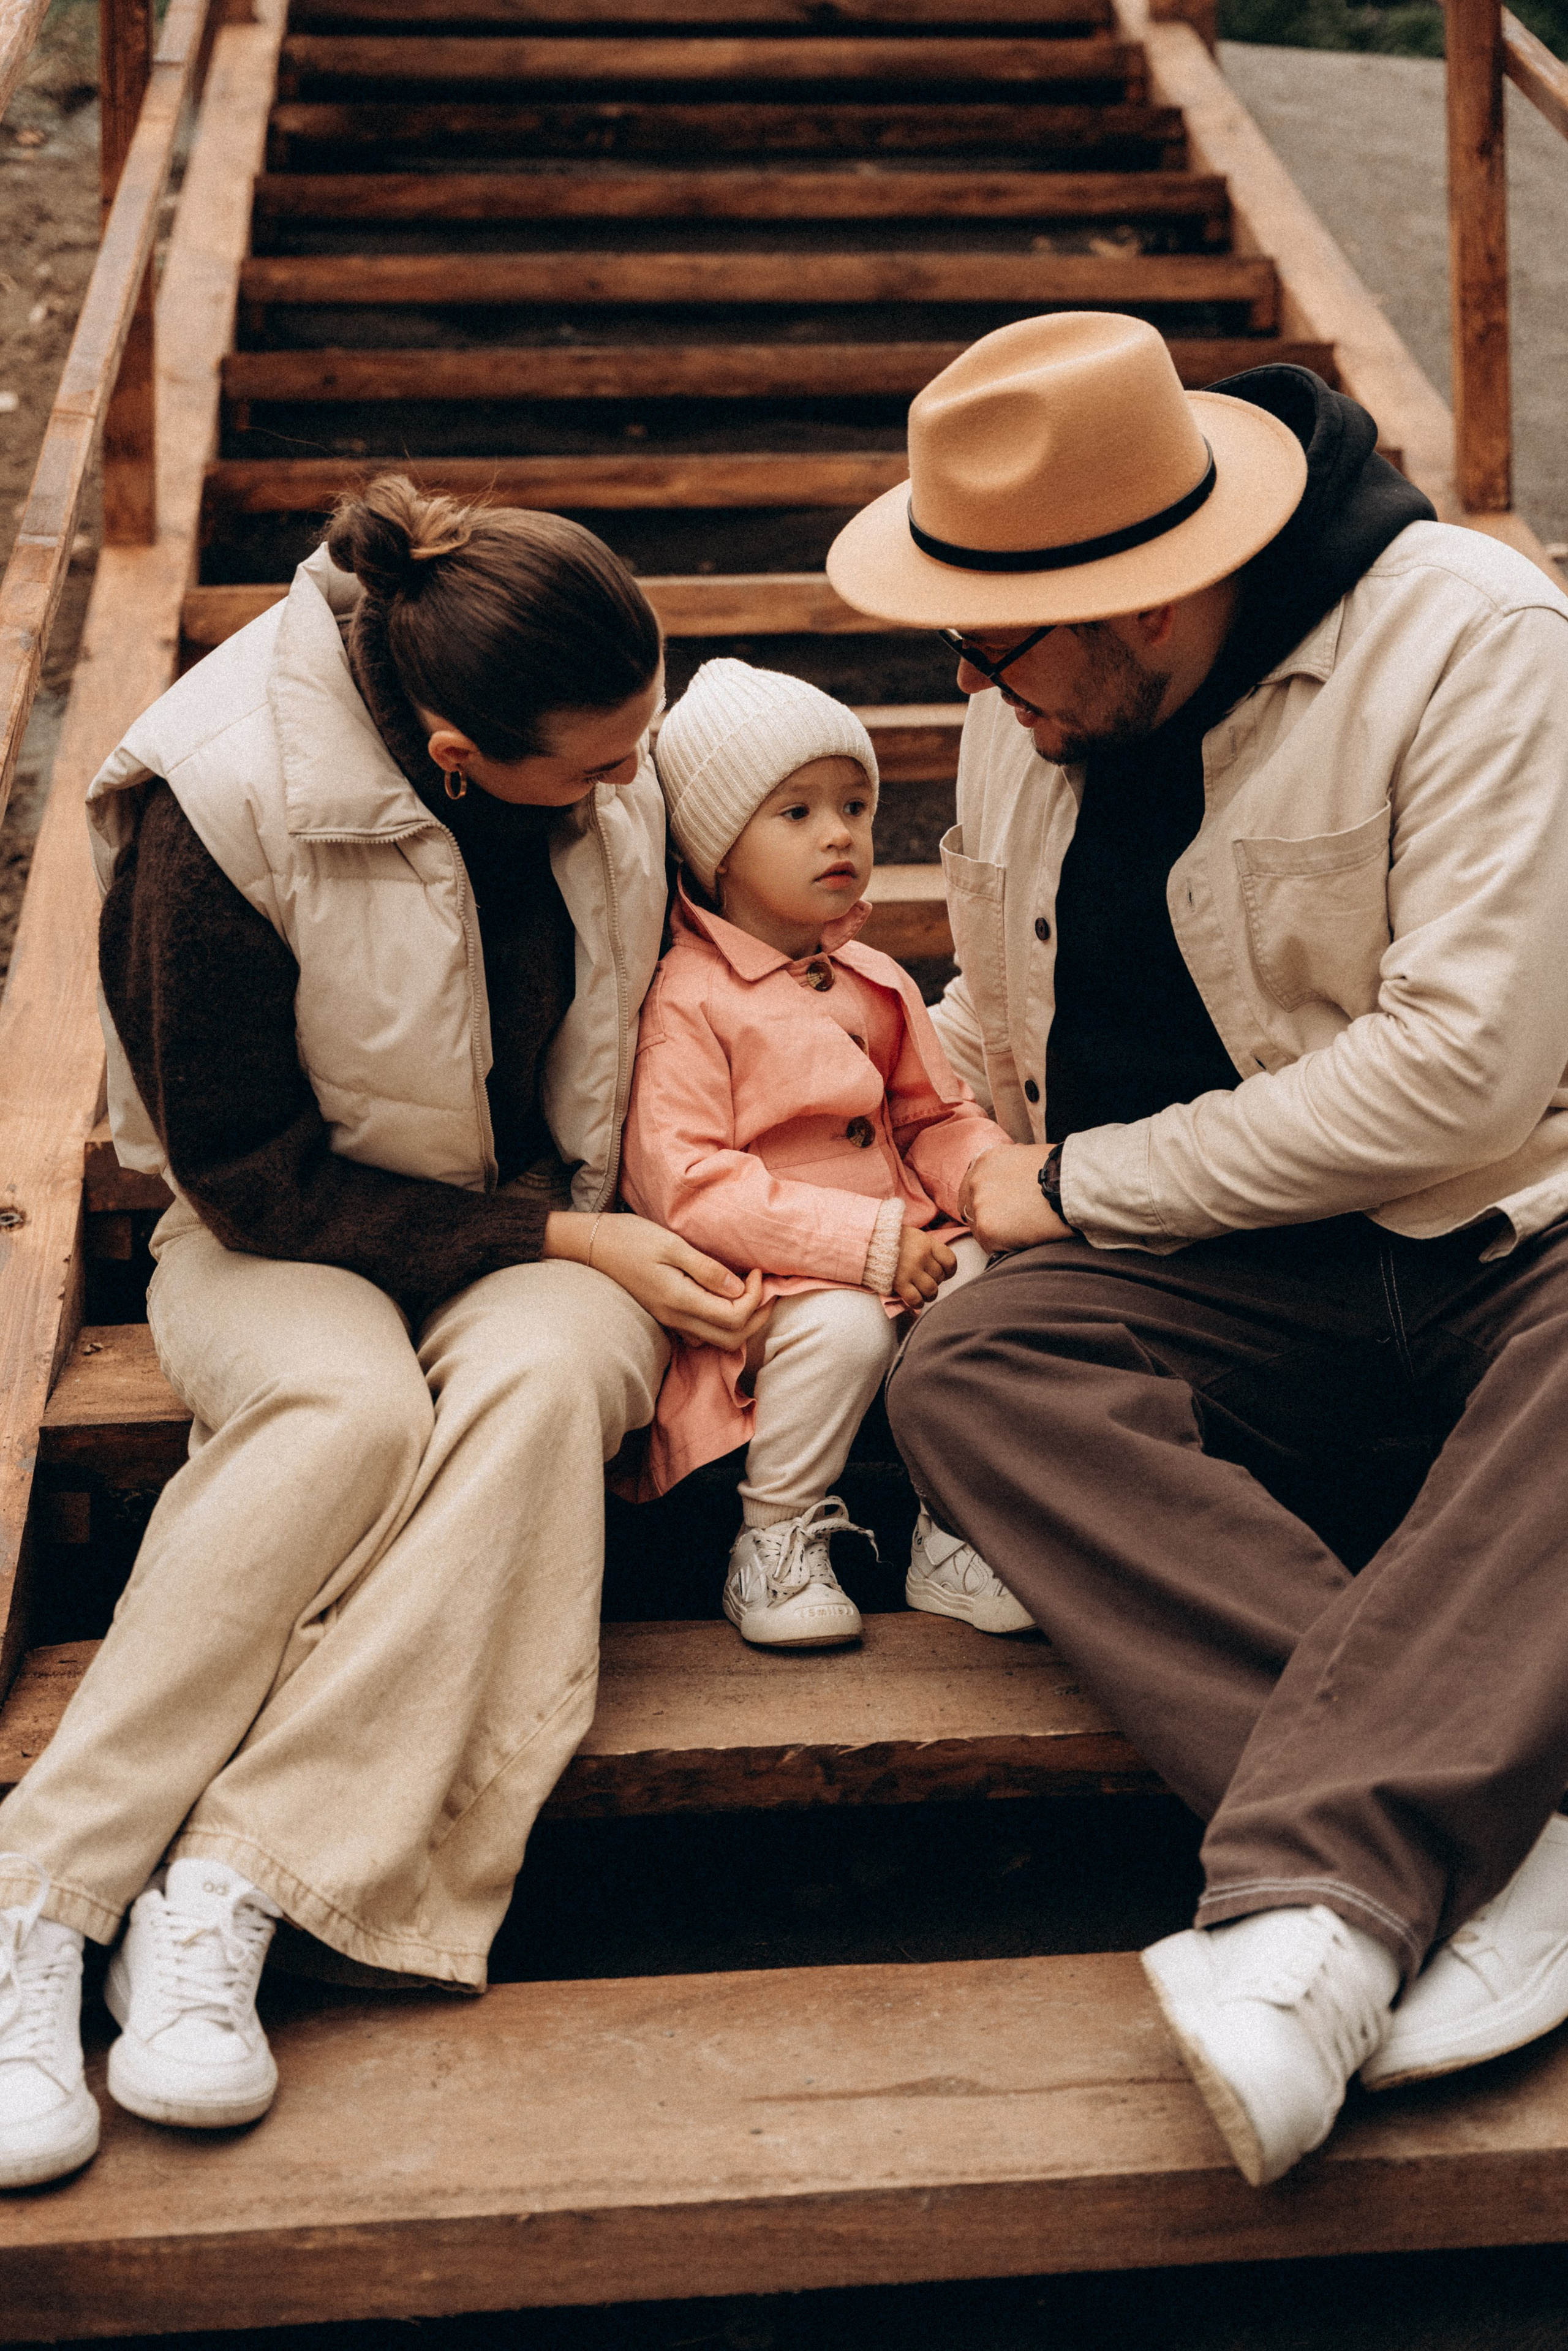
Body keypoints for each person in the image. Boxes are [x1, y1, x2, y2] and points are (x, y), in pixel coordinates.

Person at [825, 310, 1568, 2187]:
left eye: (995, 645)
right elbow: (1004, 1017)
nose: (976, 689)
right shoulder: (1035, 712)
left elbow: (1463, 1081)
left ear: (1148, 603)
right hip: (1225, 1271)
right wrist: (915, 1139)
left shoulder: (1483, 646)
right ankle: (1500, 1820)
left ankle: (1322, 1902)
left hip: (1504, 1226)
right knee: (979, 1369)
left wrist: (1068, 1188)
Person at [0, 476, 772, 2190]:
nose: (631, 785)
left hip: (546, 1230)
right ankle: (38, 1896)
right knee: (347, 1413)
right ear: (448, 742)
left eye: (642, 738)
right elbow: (253, 1176)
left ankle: (244, 1876)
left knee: (554, 1371)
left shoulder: (586, 741)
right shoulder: (221, 803)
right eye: (593, 762)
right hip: (277, 1230)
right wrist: (573, 1228)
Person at [620, 659, 1021, 1649]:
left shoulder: (873, 977)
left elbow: (933, 1115)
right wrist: (871, 1244)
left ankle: (954, 1529)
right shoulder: (688, 998)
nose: (839, 833)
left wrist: (987, 1177)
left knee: (989, 1292)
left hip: (902, 1247)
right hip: (764, 1282)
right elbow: (692, 1182)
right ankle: (776, 1540)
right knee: (843, 1330)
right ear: (716, 851)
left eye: (854, 805)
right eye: (794, 814)